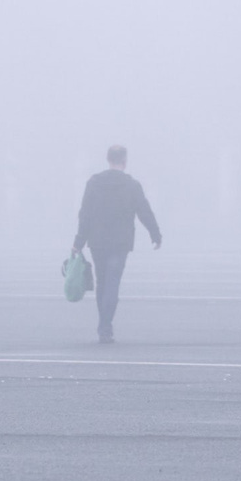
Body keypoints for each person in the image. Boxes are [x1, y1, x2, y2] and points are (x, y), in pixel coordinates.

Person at [71, 145, 161, 343]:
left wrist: (78, 241)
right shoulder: (132, 185)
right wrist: (155, 233)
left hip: (97, 240)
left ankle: (104, 326)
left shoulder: (94, 183)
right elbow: (144, 211)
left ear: (108, 159)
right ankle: (105, 327)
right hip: (121, 242)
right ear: (124, 160)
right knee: (113, 282)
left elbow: (85, 214)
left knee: (102, 282)